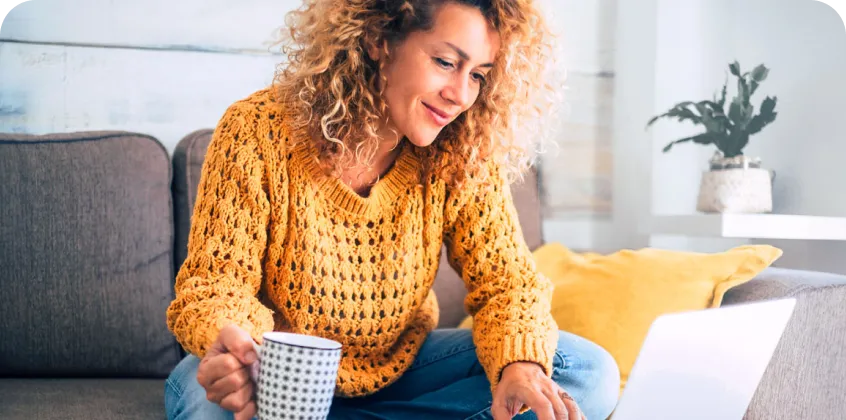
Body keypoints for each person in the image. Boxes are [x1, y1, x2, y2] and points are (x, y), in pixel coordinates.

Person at [163, 0, 620, 419]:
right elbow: (215, 285)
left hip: (403, 374)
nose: (461, 94)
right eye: (445, 62)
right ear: (379, 40)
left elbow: (508, 283)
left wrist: (519, 365)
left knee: (586, 371)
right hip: (279, 378)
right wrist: (240, 353)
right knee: (208, 403)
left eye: (478, 74)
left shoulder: (459, 153)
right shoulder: (256, 132)